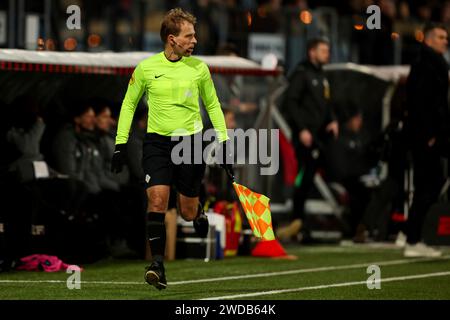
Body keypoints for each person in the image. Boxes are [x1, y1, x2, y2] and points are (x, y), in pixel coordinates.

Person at [111, 8, 232, 290]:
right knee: (157, 201)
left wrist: (224, 143)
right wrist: (120, 143)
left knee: (186, 212)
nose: (194, 41)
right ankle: (157, 265)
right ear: (171, 39)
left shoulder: (199, 69)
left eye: (194, 35)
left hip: (190, 143)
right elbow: (129, 104)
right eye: (189, 36)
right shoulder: (146, 68)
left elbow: (212, 105)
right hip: (157, 143)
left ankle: (198, 212)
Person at [277, 38, 339, 240]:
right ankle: (297, 220)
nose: (327, 54)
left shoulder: (322, 75)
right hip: (306, 137)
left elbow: (326, 103)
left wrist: (332, 120)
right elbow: (291, 103)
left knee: (311, 178)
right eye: (323, 50)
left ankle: (301, 222)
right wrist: (302, 129)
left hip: (320, 137)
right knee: (304, 178)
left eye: (328, 50)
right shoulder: (301, 73)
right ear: (312, 52)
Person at [404, 23, 449, 257]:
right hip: (426, 137)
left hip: (433, 135)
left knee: (430, 185)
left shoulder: (434, 63)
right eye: (440, 37)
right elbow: (420, 102)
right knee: (428, 185)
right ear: (429, 39)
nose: (445, 40)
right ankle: (412, 238)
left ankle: (413, 236)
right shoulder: (425, 64)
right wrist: (428, 134)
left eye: (446, 37)